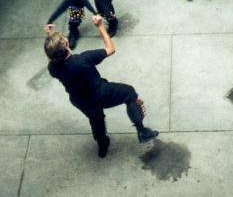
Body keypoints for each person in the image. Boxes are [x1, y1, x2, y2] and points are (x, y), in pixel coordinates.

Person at [44, 16, 159, 159]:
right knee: (129, 93)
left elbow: (55, 55)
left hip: (80, 100)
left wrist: (50, 37)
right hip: (100, 93)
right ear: (67, 43)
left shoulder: (53, 68)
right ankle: (142, 131)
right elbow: (110, 49)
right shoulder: (83, 60)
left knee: (95, 118)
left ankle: (102, 143)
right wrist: (100, 26)